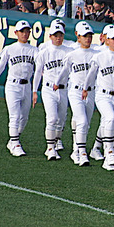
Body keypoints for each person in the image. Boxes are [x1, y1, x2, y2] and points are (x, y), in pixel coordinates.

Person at [82, 27, 114, 171]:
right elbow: (91, 74)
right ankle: (109, 153)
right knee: (109, 119)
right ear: (107, 40)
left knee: (113, 125)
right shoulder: (100, 55)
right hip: (103, 95)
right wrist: (85, 88)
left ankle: (96, 148)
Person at [0, 20, 38, 157]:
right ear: (16, 33)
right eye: (22, 31)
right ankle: (15, 144)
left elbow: (40, 68)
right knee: (14, 115)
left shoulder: (34, 50)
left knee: (24, 117)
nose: (25, 34)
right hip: (12, 85)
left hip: (27, 85)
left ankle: (13, 139)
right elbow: (1, 66)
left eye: (27, 31)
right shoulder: (9, 48)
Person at [54, 21, 99, 167]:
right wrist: (57, 82)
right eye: (85, 36)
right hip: (75, 91)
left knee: (86, 124)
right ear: (78, 37)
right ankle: (82, 152)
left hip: (91, 92)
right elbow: (64, 71)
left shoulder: (97, 54)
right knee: (82, 121)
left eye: (90, 36)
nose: (88, 39)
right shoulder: (72, 55)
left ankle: (75, 150)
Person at [32, 20, 74, 161]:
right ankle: (49, 148)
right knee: (52, 118)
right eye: (55, 35)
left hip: (64, 89)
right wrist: (34, 91)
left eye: (60, 35)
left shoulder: (69, 52)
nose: (58, 37)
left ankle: (55, 143)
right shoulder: (44, 52)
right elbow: (38, 72)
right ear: (50, 36)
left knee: (61, 120)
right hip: (48, 88)